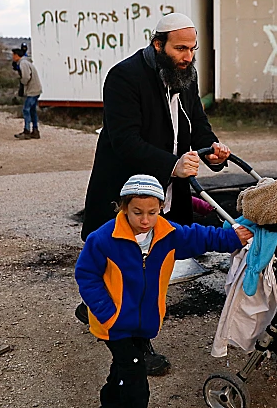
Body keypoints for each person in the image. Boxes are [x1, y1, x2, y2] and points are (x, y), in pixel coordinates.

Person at [79, 13, 230, 375]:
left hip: (166, 190)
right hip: (128, 193)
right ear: (158, 44)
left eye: (192, 49)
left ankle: (96, 307)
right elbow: (125, 141)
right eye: (180, 48)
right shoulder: (124, 77)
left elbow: (197, 125)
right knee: (134, 268)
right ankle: (135, 348)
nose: (188, 56)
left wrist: (212, 149)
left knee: (149, 264)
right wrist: (173, 165)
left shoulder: (184, 75)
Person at [76, 175, 252, 408]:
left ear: (161, 207)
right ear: (124, 207)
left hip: (144, 321)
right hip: (113, 323)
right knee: (135, 382)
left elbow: (200, 237)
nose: (145, 220)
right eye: (137, 212)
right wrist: (107, 313)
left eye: (152, 212)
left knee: (122, 369)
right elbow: (87, 276)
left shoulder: (167, 234)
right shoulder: (103, 239)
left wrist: (232, 238)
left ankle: (109, 402)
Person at [12, 47, 42, 140]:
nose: (12, 57)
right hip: (35, 89)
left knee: (26, 110)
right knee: (32, 111)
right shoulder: (26, 62)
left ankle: (27, 131)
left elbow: (26, 77)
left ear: (17, 55)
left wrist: (22, 83)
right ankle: (35, 130)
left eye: (13, 55)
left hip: (32, 90)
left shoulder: (23, 63)